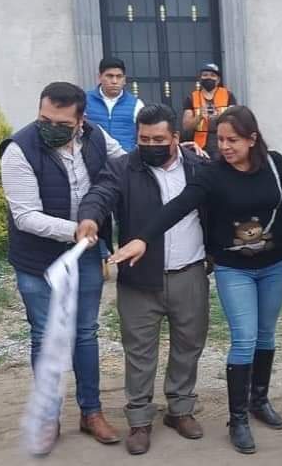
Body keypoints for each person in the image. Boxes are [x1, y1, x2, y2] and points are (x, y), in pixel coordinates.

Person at [108, 105, 282, 455]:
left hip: (276, 264)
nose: (224, 147)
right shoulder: (212, 173)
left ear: (252, 139)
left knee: (266, 335)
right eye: (220, 139)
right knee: (244, 339)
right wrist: (143, 238)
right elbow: (177, 207)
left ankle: (259, 400)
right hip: (233, 267)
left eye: (232, 140)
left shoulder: (276, 165)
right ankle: (238, 420)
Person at [75, 104, 210, 455]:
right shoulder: (123, 168)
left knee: (189, 345)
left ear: (175, 138)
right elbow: (100, 195)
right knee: (139, 352)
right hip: (140, 278)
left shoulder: (198, 166)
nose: (150, 145)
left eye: (158, 139)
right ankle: (139, 420)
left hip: (189, 273)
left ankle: (180, 409)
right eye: (143, 139)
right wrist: (89, 218)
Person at [0, 82, 124, 456]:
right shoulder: (19, 150)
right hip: (37, 260)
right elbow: (25, 216)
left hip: (84, 254)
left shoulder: (97, 138)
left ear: (80, 120)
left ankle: (91, 412)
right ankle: (48, 419)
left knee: (85, 333)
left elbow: (125, 164)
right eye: (44, 119)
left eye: (61, 123)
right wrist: (76, 230)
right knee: (44, 335)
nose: (49, 128)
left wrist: (176, 153)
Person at [86, 57, 145, 152]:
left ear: (124, 79)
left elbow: (143, 135)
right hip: (93, 157)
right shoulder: (85, 100)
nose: (114, 81)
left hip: (125, 158)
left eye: (119, 76)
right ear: (100, 77)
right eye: (110, 76)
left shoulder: (136, 104)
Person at [182, 62, 237, 159]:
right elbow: (186, 126)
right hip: (200, 146)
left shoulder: (228, 95)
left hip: (223, 143)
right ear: (200, 78)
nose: (208, 78)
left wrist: (221, 117)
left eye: (212, 75)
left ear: (218, 79)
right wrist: (199, 116)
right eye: (205, 75)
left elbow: (236, 120)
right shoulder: (192, 97)